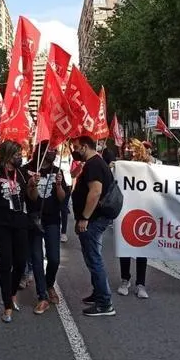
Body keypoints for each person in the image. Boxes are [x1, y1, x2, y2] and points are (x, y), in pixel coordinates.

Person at [0, 140, 39, 323]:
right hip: (0, 224)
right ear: (8, 155)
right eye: (17, 154)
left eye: (20, 154)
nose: (20, 157)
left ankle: (11, 293)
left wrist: (33, 186)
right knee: (5, 262)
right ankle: (7, 305)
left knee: (20, 262)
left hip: (19, 222)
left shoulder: (23, 174)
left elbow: (32, 198)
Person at [71, 136, 117, 317]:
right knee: (92, 257)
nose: (74, 151)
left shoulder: (94, 165)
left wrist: (84, 218)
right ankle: (98, 293)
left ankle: (104, 303)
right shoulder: (94, 163)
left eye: (76, 147)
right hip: (95, 218)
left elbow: (95, 192)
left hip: (94, 219)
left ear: (84, 147)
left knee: (94, 259)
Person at [26, 142, 66, 315]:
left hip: (52, 220)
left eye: (55, 150)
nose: (54, 153)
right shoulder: (28, 170)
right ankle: (42, 296)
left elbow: (62, 198)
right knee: (36, 258)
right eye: (50, 150)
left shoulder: (58, 171)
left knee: (54, 259)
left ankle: (49, 284)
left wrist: (58, 185)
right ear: (41, 151)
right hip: (34, 220)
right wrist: (32, 184)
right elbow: (32, 198)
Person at [117, 139, 152, 299]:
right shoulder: (121, 165)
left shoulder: (149, 165)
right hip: (125, 210)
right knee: (124, 246)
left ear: (139, 150)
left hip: (143, 209)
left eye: (131, 148)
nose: (128, 150)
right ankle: (125, 279)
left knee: (141, 247)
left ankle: (140, 284)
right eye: (126, 148)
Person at [55, 145, 73, 242]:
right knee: (55, 208)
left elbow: (72, 172)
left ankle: (63, 232)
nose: (59, 146)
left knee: (64, 209)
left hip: (67, 184)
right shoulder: (53, 156)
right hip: (55, 185)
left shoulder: (69, 156)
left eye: (61, 144)